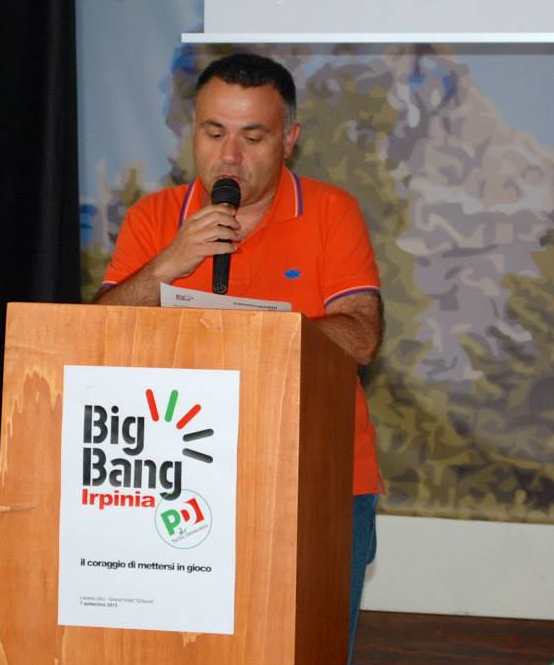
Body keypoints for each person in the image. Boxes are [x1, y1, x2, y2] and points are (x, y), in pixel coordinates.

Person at [96, 52, 383, 662]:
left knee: (304, 647)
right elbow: (93, 336)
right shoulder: (155, 218)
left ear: (289, 140)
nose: (229, 157)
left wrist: (254, 334)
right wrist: (167, 266)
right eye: (213, 133)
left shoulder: (331, 212)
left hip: (316, 477)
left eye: (252, 137)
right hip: (176, 481)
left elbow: (361, 336)